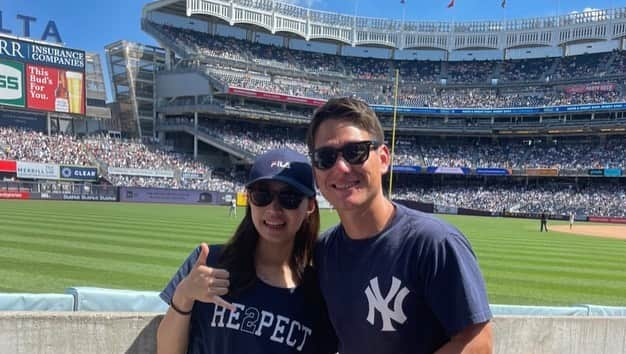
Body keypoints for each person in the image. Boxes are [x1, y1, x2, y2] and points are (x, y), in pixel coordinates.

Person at [305, 97, 493, 354]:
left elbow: (478, 343)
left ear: (383, 159)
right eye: (325, 157)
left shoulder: (433, 243)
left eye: (355, 152)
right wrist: (231, 280)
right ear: (315, 172)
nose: (341, 167)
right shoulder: (324, 252)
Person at [157, 148, 337, 354]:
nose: (274, 210)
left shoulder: (318, 291)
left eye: (290, 197)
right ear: (250, 199)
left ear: (310, 206)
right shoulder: (209, 262)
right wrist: (184, 294)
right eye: (262, 195)